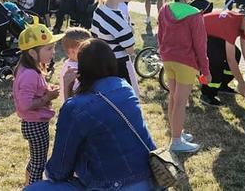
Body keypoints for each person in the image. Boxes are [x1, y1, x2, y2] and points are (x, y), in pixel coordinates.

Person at [26, 39, 157, 191]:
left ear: (81, 68)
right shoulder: (124, 87)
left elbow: (58, 171)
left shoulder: (76, 107)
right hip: (152, 179)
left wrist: (68, 90)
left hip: (113, 185)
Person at [158, 0, 210, 153]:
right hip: (186, 63)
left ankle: (176, 132)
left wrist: (163, 53)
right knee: (181, 102)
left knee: (173, 98)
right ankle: (176, 141)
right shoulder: (195, 14)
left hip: (168, 60)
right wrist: (206, 70)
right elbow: (200, 46)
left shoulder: (164, 9)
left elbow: (160, 35)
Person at [13, 20, 63, 184]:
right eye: (48, 48)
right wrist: (47, 98)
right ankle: (33, 187)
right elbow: (25, 104)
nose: (53, 52)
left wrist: (46, 88)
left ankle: (28, 184)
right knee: (39, 163)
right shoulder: (30, 74)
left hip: (34, 123)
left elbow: (34, 90)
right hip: (35, 125)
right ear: (33, 53)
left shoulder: (30, 68)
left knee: (35, 160)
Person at [91, 0, 140, 96]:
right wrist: (130, 30)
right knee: (123, 101)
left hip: (101, 63)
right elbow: (130, 50)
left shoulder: (99, 10)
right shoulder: (117, 18)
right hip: (117, 66)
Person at [200, 10, 245, 106]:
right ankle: (207, 93)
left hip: (211, 36)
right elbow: (230, 60)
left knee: (236, 54)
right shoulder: (232, 24)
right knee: (216, 58)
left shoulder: (243, 25)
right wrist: (241, 83)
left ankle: (222, 85)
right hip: (197, 35)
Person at [58, 27, 92, 101]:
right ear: (72, 52)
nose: (90, 51)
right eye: (85, 49)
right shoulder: (74, 69)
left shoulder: (70, 63)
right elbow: (77, 92)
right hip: (75, 107)